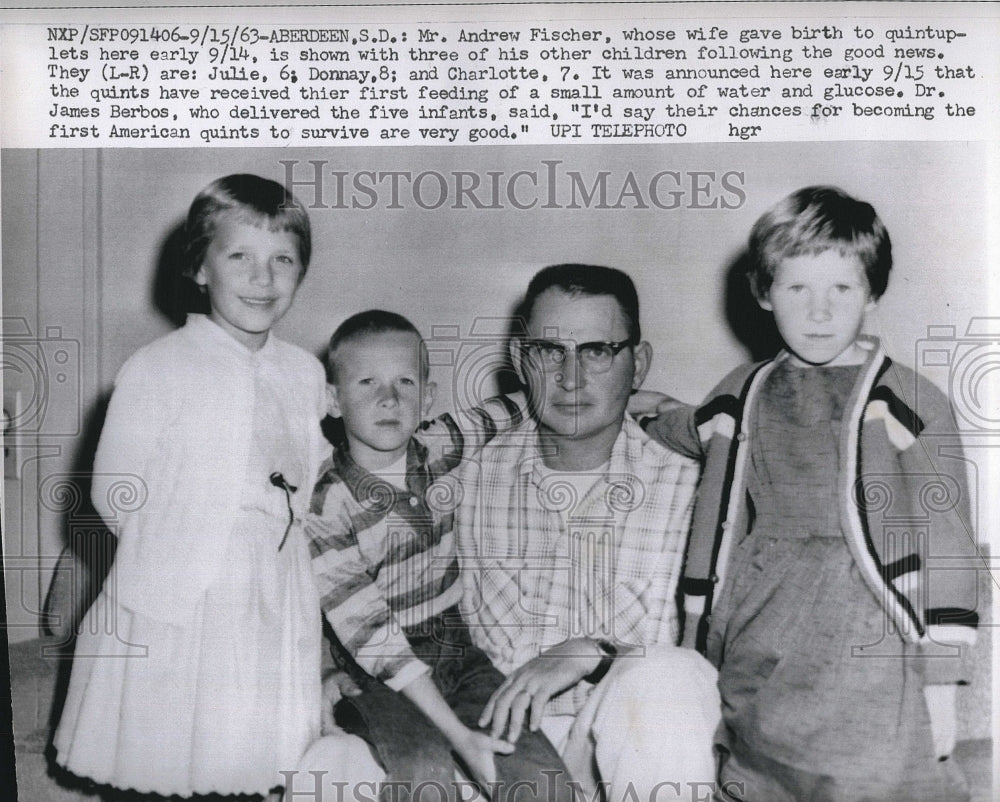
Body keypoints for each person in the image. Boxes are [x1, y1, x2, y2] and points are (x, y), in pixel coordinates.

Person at [643, 186, 980, 801]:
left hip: (869, 627)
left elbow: (948, 544)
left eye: (841, 290)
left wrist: (943, 683)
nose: (819, 312)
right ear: (764, 293)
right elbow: (699, 428)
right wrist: (651, 410)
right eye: (798, 288)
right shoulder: (744, 388)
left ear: (873, 294)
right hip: (758, 616)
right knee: (760, 773)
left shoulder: (908, 398)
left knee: (865, 777)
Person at [53, 174, 326, 798]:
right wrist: (182, 555)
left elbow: (307, 483)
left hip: (274, 597)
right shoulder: (158, 367)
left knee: (254, 770)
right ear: (200, 269)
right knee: (168, 765)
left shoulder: (305, 373)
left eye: (282, 259)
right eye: (240, 257)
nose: (264, 278)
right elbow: (114, 493)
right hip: (176, 601)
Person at [454, 264, 721, 801]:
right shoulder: (464, 478)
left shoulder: (696, 485)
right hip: (494, 760)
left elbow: (714, 667)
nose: (570, 378)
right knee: (339, 761)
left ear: (638, 364)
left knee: (665, 676)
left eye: (597, 351)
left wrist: (594, 652)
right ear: (521, 361)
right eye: (550, 352)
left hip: (629, 757)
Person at [305, 310, 575, 802]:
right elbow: (373, 639)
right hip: (378, 670)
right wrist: (459, 737)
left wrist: (631, 401)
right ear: (333, 401)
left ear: (427, 397)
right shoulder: (327, 507)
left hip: (458, 648)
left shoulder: (435, 445)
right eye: (367, 382)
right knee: (424, 772)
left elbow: (513, 410)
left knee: (540, 777)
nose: (389, 399)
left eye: (405, 382)